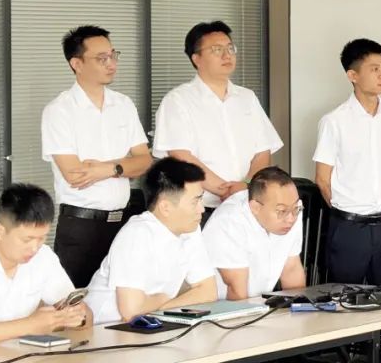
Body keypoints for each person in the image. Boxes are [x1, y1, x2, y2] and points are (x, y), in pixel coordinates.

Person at [41, 25, 152, 287]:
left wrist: (106, 169)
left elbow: (145, 161)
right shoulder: (60, 110)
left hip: (124, 222)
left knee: (123, 297)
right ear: (77, 64)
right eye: (102, 58)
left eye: (113, 55)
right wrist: (124, 166)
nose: (111, 63)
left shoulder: (123, 104)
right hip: (81, 226)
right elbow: (75, 175)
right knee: (75, 301)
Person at [153, 20, 283, 224]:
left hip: (246, 204)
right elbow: (181, 155)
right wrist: (226, 190)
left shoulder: (247, 98)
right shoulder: (178, 100)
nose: (227, 55)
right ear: (196, 58)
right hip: (200, 209)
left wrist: (246, 185)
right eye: (216, 50)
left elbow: (263, 151)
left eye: (230, 48)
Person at [314, 38, 381, 285]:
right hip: (349, 227)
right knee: (345, 296)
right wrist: (348, 211)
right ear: (353, 75)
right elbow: (322, 179)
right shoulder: (334, 121)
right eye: (374, 68)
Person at [0, 184, 89, 347]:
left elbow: (85, 317)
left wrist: (77, 317)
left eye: (42, 238)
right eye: (27, 240)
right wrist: (29, 326)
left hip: (17, 354)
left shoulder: (43, 256)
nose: (35, 248)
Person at [84, 158, 217, 324]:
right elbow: (131, 312)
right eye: (195, 201)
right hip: (107, 329)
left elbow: (208, 292)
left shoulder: (190, 229)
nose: (202, 209)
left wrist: (162, 303)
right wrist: (166, 301)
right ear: (165, 207)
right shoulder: (136, 234)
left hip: (152, 324)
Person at [202, 166, 307, 300]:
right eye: (282, 211)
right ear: (255, 207)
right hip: (221, 307)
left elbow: (291, 269)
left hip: (259, 303)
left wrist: (300, 306)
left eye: (296, 209)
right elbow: (236, 291)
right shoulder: (229, 221)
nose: (291, 218)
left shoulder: (292, 208)